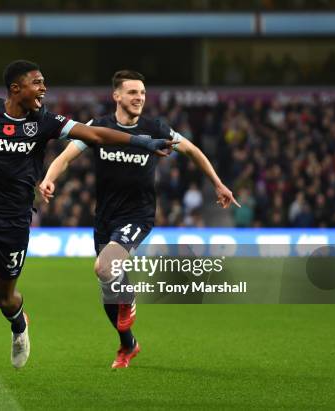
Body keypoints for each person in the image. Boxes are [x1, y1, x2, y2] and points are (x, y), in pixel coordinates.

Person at [0, 61, 173, 393]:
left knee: (2, 297)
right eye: (37, 83)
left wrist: (142, 143)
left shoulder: (45, 121)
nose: (44, 89)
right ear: (15, 89)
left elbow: (93, 134)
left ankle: (18, 321)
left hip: (15, 221)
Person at [39, 70, 239, 369]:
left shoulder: (155, 127)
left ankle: (129, 298)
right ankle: (128, 344)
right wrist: (48, 179)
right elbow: (66, 156)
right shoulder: (99, 127)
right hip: (105, 217)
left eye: (142, 93)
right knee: (107, 286)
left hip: (138, 215)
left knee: (104, 268)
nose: (139, 98)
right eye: (132, 92)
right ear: (116, 96)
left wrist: (218, 183)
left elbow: (192, 150)